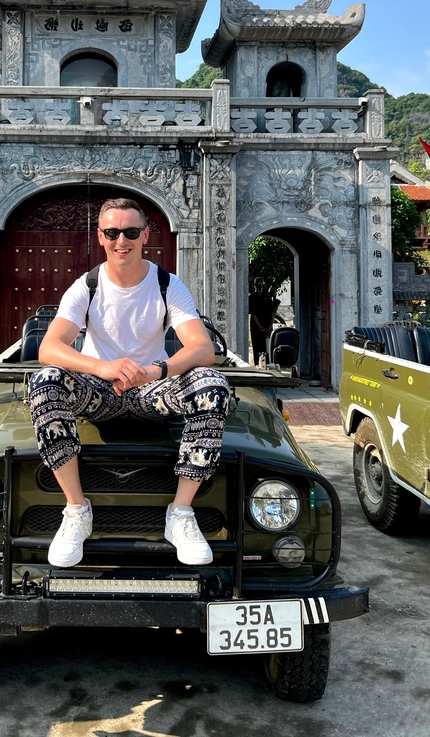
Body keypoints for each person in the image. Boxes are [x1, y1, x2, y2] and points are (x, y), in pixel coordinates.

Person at [28, 197, 230, 569]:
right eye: (112, 232)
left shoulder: (167, 284)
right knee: (45, 381)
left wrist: (156, 370)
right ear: (100, 237)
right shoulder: (86, 286)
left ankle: (181, 513)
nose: (122, 240)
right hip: (98, 393)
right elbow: (49, 347)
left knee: (212, 386)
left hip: (150, 392)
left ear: (145, 235)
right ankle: (76, 509)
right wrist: (102, 367)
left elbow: (203, 348)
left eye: (131, 232)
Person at [248, 277, 279, 365]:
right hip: (267, 326)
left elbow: (253, 315)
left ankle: (257, 365)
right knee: (266, 347)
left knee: (257, 347)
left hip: (256, 328)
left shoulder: (251, 298)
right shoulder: (268, 297)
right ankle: (267, 364)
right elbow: (272, 313)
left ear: (254, 286)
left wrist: (259, 326)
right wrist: (270, 326)